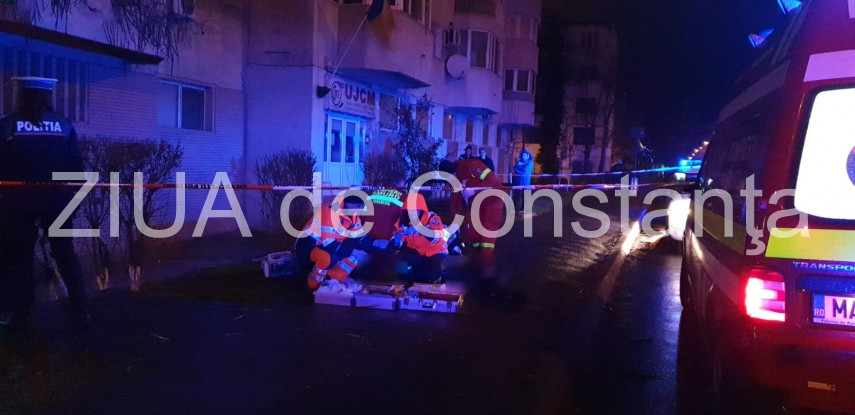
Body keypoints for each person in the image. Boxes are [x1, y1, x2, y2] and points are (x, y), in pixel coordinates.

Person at [0, 77, 88, 332]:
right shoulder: (64, 125)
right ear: (48, 96)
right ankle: (80, 311)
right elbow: (76, 167)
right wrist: (72, 198)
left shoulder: (8, 125)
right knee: (65, 255)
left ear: (22, 96)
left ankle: (20, 314)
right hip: (57, 201)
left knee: (19, 258)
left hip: (19, 203)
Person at [293, 195, 372, 290]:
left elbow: (358, 235)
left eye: (362, 206)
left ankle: (334, 280)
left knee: (359, 254)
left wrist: (375, 243)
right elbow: (328, 244)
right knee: (329, 258)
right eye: (359, 206)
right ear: (349, 203)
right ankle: (313, 285)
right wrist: (352, 251)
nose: (361, 209)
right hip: (307, 246)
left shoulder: (352, 212)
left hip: (328, 244)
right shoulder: (330, 212)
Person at [452, 158, 505, 293]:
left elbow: (491, 178)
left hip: (492, 201)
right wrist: (455, 223)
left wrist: (472, 191)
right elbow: (455, 203)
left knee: (487, 236)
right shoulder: (455, 179)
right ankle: (478, 264)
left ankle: (486, 273)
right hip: (477, 204)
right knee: (474, 234)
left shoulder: (473, 165)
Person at [512, 149, 534, 213]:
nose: (523, 156)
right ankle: (515, 209)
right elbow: (515, 169)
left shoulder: (530, 162)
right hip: (518, 182)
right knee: (516, 196)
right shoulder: (519, 161)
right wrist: (520, 168)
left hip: (525, 182)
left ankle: (523, 209)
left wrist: (519, 167)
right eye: (523, 155)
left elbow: (526, 170)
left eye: (525, 155)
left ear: (528, 156)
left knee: (525, 197)